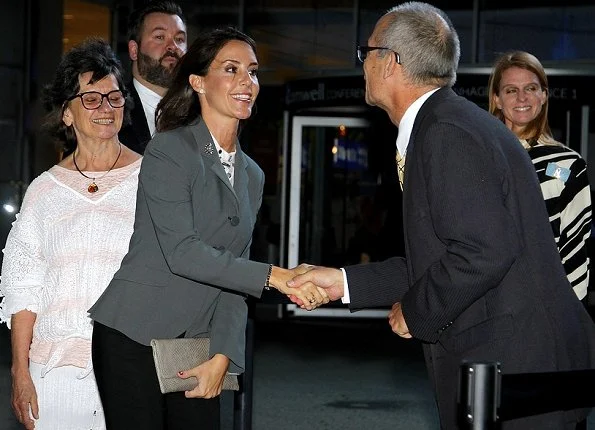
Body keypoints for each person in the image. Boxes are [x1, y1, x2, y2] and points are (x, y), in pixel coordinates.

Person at [288, 3, 595, 429]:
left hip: (517, 367)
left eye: (367, 52)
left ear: (391, 62)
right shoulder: (451, 125)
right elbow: (442, 256)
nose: (362, 64)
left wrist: (416, 311)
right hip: (519, 359)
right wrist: (343, 282)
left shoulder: (447, 133)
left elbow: (483, 251)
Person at [89, 27, 326, 429]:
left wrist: (223, 354)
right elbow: (183, 252)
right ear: (197, 82)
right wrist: (279, 277)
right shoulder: (169, 150)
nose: (246, 83)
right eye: (231, 69)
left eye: (252, 72)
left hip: (196, 343)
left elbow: (237, 274)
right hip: (132, 335)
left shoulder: (252, 174)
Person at [0, 38, 141, 430]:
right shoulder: (44, 191)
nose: (106, 108)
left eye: (113, 97)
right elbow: (23, 286)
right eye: (91, 99)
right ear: (67, 113)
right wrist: (20, 371)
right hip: (55, 371)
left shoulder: (151, 180)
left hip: (134, 367)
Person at [488, 51, 592, 301]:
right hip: (484, 300)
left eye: (531, 88)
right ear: (497, 99)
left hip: (543, 302)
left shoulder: (568, 164)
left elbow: (576, 244)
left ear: (544, 96)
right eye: (511, 90)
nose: (522, 97)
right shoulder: (477, 157)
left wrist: (568, 313)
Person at [118, 0, 187, 154]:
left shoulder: (200, 112)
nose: (173, 46)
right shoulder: (110, 110)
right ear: (134, 50)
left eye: (180, 39)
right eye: (160, 37)